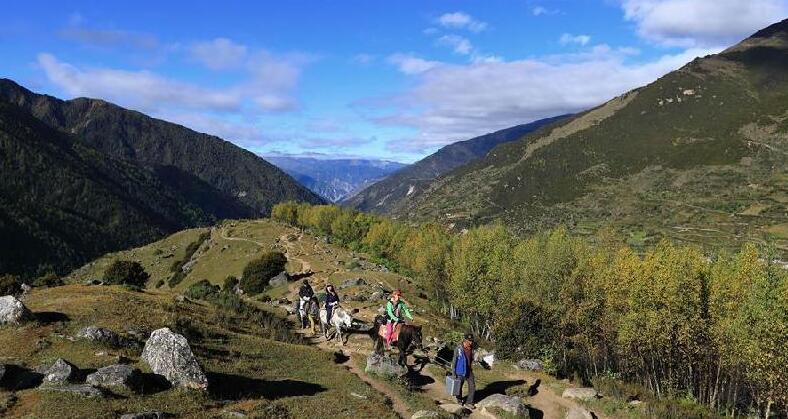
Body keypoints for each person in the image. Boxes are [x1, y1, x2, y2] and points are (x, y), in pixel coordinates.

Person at [451, 333, 476, 408]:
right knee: (459, 386)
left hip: (469, 370)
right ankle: (459, 400)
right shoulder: (458, 349)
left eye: (471, 341)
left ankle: (469, 402)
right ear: (465, 340)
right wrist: (453, 372)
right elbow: (454, 361)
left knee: (472, 386)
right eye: (469, 341)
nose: (471, 342)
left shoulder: (471, 348)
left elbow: (471, 359)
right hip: (460, 371)